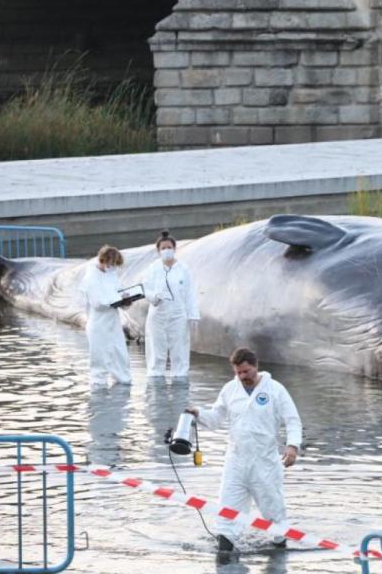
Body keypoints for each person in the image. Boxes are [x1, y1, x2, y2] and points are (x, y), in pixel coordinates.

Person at [185, 348, 302, 553]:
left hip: (264, 462)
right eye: (238, 372)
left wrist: (292, 446)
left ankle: (279, 547)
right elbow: (216, 418)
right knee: (227, 510)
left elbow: (292, 420)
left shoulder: (275, 389)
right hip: (236, 461)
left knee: (273, 510)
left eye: (246, 372)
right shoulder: (230, 389)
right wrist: (198, 414)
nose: (242, 377)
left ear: (256, 366)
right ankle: (225, 549)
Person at [144, 230, 200, 382]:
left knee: (179, 350)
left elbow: (190, 293)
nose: (166, 250)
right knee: (157, 350)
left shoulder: (183, 268)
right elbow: (145, 288)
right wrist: (153, 297)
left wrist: (193, 315)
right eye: (163, 248)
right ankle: (156, 383)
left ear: (174, 249)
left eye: (169, 247)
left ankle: (180, 381)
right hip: (158, 313)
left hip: (178, 314)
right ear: (158, 251)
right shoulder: (153, 268)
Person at [79, 245, 134, 387]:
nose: (112, 268)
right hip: (98, 323)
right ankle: (99, 394)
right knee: (99, 359)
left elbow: (118, 293)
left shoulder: (112, 275)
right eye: (110, 265)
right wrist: (115, 300)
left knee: (120, 354)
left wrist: (126, 301)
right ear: (103, 260)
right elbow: (97, 303)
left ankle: (123, 387)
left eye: (114, 266)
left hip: (113, 322)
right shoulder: (90, 277)